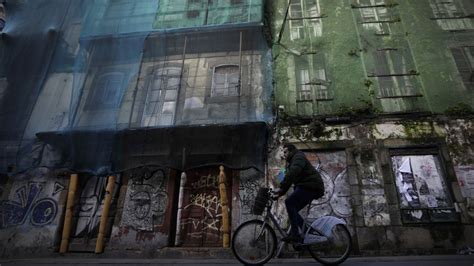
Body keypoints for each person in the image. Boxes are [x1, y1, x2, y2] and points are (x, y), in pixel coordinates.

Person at [274, 143, 325, 243]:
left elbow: (292, 174)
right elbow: (289, 180)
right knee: (293, 210)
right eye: (283, 152)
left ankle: (296, 235)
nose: (284, 154)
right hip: (307, 186)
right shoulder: (292, 161)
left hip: (311, 186)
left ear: (291, 150)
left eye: (285, 152)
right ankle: (306, 232)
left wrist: (280, 188)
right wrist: (280, 193)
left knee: (289, 203)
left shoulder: (298, 157)